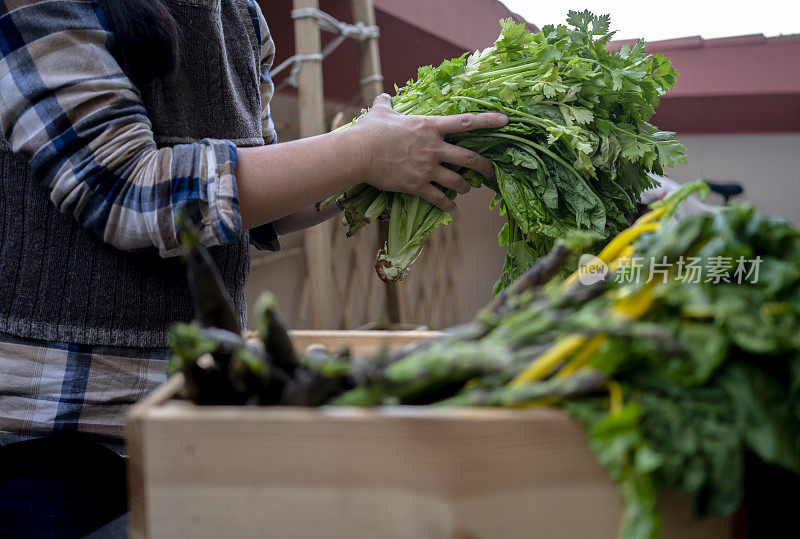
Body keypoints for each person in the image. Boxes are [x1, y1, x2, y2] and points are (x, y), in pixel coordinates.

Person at [0, 0, 506, 536]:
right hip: (57, 445)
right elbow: (132, 191)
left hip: (199, 410)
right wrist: (361, 151)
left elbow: (252, 197)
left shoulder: (240, 16)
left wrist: (380, 163)